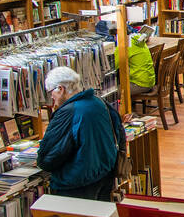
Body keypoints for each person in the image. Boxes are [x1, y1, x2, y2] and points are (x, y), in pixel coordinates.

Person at [37, 66, 126, 201]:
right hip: (105, 176)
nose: (51, 96)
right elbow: (119, 132)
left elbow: (50, 156)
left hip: (76, 183)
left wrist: (42, 161)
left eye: (51, 91)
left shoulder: (68, 112)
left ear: (60, 89)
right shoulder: (99, 101)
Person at [127, 32, 157, 99]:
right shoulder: (139, 41)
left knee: (113, 92)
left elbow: (116, 65)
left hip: (140, 84)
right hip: (150, 81)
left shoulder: (127, 45)